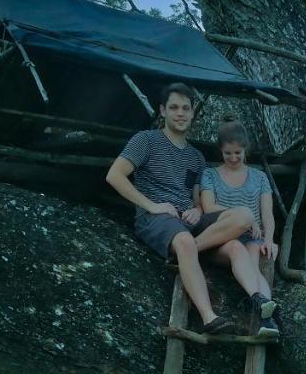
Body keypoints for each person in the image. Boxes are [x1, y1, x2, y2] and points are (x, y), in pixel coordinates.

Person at [105, 82, 252, 334]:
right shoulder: (146, 140)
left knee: (244, 215)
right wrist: (151, 205)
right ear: (162, 111)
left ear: (194, 112)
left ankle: (189, 253)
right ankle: (209, 317)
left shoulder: (196, 157)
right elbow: (114, 175)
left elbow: (195, 196)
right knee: (183, 240)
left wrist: (197, 207)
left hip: (189, 219)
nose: (180, 113)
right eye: (174, 107)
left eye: (186, 108)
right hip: (157, 218)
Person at [199, 116, 281, 337]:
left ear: (245, 150)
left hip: (251, 237)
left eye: (238, 153)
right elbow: (208, 207)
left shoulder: (259, 177)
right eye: (228, 153)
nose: (233, 158)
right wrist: (245, 217)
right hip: (221, 236)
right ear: (221, 151)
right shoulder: (210, 174)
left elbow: (267, 214)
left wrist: (269, 239)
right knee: (236, 248)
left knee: (253, 262)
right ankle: (261, 302)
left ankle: (268, 318)